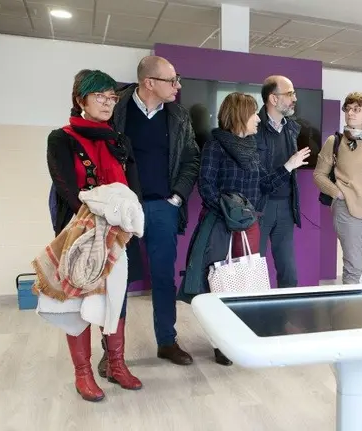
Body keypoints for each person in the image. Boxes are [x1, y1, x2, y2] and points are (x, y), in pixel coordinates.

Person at [185, 92, 309, 365]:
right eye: (254, 114)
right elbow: (206, 187)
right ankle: (220, 343)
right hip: (222, 225)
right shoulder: (215, 146)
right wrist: (231, 212)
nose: (258, 119)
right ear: (240, 115)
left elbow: (264, 184)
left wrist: (289, 166)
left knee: (243, 283)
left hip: (249, 225)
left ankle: (239, 336)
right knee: (219, 284)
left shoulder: (252, 146)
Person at [47, 69, 143, 401]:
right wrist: (94, 219)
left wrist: (131, 219)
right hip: (79, 230)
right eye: (99, 96)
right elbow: (65, 186)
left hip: (118, 233)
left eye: (112, 97)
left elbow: (133, 186)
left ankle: (116, 364)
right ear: (80, 100)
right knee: (80, 301)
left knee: (115, 297)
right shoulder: (61, 137)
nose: (107, 103)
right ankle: (83, 373)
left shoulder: (119, 139)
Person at [108, 55, 201, 368]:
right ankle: (113, 352)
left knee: (164, 278)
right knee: (115, 279)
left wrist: (177, 197)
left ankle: (167, 341)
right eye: (171, 80)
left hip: (162, 208)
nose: (178, 86)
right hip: (121, 209)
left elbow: (191, 159)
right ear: (149, 82)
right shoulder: (116, 109)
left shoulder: (178, 116)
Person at [313, 92, 362, 284]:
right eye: (348, 109)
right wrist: (337, 193)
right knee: (353, 268)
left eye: (357, 110)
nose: (350, 113)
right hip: (346, 208)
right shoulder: (334, 142)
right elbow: (319, 175)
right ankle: (350, 312)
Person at [255, 75, 303, 288]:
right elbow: (259, 180)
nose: (295, 98)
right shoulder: (253, 129)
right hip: (259, 207)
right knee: (254, 270)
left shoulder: (293, 128)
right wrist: (289, 166)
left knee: (289, 273)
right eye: (290, 93)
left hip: (285, 206)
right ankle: (254, 320)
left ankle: (285, 320)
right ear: (273, 99)